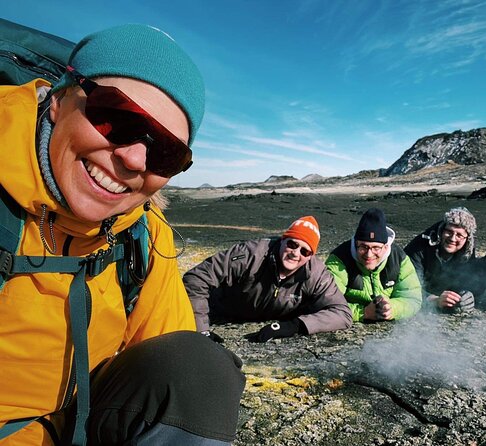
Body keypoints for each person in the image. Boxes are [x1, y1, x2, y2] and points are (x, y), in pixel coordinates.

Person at [0, 24, 245, 445]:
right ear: (59, 99)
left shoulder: (145, 231)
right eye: (115, 117)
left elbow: (173, 359)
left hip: (80, 426)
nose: (134, 159)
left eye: (166, 152)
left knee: (200, 368)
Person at [183, 216, 352, 342]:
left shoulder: (316, 273)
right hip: (220, 312)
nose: (295, 253)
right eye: (292, 244)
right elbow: (196, 278)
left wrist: (295, 325)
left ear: (310, 256)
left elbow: (342, 313)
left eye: (304, 251)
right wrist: (201, 331)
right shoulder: (251, 254)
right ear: (282, 240)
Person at [325, 208, 422, 322]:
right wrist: (363, 312)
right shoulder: (339, 260)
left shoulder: (399, 259)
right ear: (356, 244)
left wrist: (392, 308)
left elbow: (412, 298)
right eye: (363, 247)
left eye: (376, 248)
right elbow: (326, 303)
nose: (369, 254)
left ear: (385, 247)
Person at [404, 207, 482, 314]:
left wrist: (466, 295)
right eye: (449, 232)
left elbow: (469, 279)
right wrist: (434, 300)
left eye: (459, 235)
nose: (453, 238)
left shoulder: (467, 253)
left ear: (467, 240)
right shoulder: (418, 248)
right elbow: (407, 286)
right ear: (441, 231)